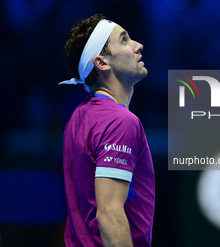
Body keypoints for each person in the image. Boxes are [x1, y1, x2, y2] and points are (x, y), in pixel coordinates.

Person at [59, 13, 155, 247]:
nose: (138, 46)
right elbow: (109, 214)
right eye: (124, 40)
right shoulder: (120, 121)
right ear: (101, 62)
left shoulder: (78, 117)